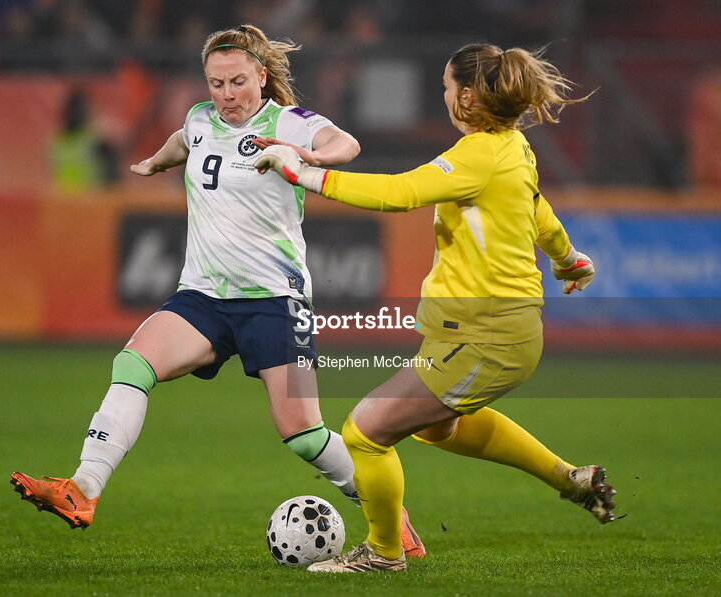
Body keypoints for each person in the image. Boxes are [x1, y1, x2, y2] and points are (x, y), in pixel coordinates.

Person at [10, 24, 426, 557]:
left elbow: (345, 143)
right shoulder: (201, 118)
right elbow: (187, 140)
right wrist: (158, 161)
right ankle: (83, 489)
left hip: (275, 300)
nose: (226, 95)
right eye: (216, 83)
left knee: (301, 432)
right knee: (133, 364)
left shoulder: (288, 123)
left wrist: (311, 160)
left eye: (237, 82)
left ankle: (393, 522)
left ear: (262, 76)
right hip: (202, 296)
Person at [255, 43, 616, 573]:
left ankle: (382, 554)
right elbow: (536, 210)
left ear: (468, 96)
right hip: (473, 331)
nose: (443, 95)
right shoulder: (511, 147)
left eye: (447, 87)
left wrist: (301, 175)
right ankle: (570, 480)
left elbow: (400, 193)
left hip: (490, 336)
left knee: (365, 431)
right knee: (436, 427)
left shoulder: (478, 154)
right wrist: (568, 259)